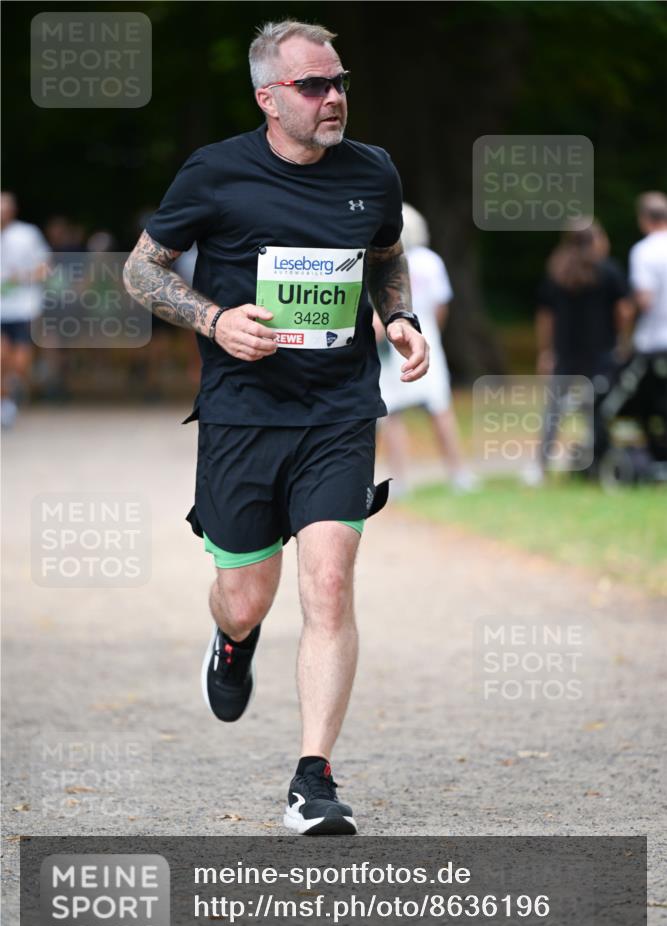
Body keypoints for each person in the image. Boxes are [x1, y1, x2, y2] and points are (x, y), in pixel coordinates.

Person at [123, 20, 428, 835]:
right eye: (312, 86)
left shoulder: (372, 171)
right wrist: (216, 321)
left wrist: (397, 317)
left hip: (337, 410)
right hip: (242, 414)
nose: (334, 98)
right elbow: (139, 269)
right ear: (268, 98)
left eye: (338, 82)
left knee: (328, 585)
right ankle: (231, 640)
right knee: (245, 596)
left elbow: (386, 255)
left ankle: (312, 781)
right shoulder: (216, 172)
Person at [375, 203, 477, 494]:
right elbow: (441, 305)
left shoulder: (383, 263)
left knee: (392, 413)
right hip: (425, 338)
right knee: (439, 408)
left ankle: (401, 480)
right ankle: (458, 473)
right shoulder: (430, 262)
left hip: (394, 343)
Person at [533, 220, 631, 478]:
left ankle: (540, 466)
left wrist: (546, 350)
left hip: (565, 353)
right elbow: (623, 310)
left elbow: (546, 317)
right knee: (597, 408)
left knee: (554, 412)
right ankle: (598, 461)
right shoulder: (608, 271)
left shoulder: (557, 272)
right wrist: (622, 339)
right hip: (601, 353)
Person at [595, 192, 667, 463]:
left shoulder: (644, 251)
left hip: (653, 345)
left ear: (643, 219)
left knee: (645, 403)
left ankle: (652, 452)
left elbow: (644, 299)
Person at [0, 192, 50, 427]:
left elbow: (44, 268)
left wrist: (23, 277)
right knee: (1, 356)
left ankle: (11, 392)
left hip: (23, 307)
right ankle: (6, 403)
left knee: (19, 363)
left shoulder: (27, 234)